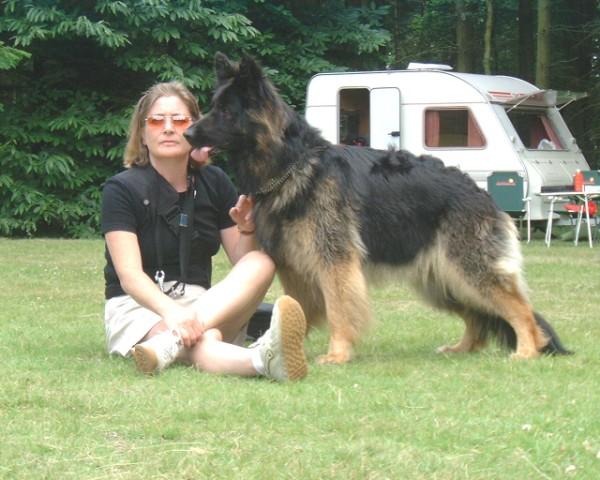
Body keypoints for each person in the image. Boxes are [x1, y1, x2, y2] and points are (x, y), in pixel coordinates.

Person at [101, 81, 308, 382]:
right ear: (142, 134)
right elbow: (129, 276)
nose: (168, 128)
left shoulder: (215, 181)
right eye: (157, 121)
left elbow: (242, 261)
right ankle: (260, 360)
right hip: (139, 307)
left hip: (205, 305)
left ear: (196, 130)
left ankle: (168, 345)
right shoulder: (120, 189)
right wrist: (173, 314)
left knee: (261, 261)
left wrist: (247, 231)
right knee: (202, 339)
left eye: (179, 120)